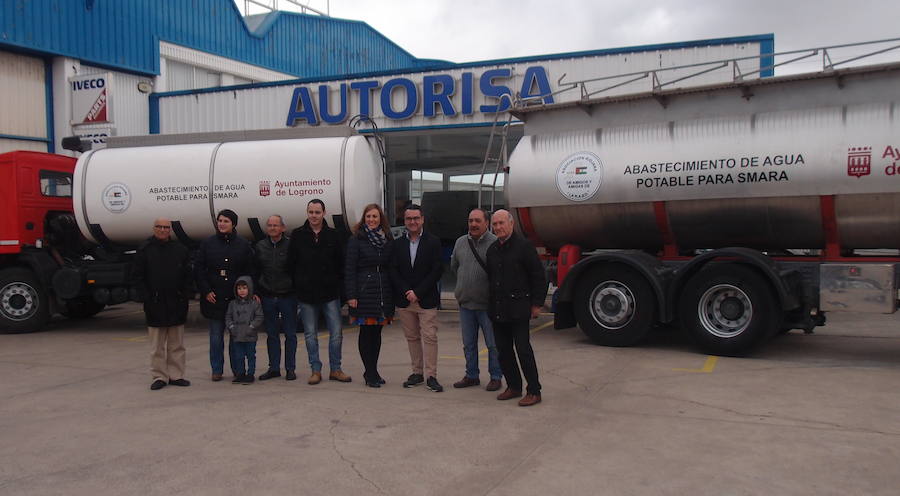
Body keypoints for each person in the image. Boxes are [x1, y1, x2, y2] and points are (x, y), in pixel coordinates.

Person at [485, 209, 548, 407]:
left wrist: (537, 303)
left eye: (501, 223)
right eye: (495, 224)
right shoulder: (492, 250)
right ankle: (513, 386)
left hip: (519, 309)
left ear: (511, 224)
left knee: (523, 350)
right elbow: (491, 279)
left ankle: (534, 391)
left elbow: (539, 276)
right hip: (498, 310)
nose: (498, 227)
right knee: (503, 351)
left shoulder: (524, 247)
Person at [287, 199, 351, 385]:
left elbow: (341, 263)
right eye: (311, 212)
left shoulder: (334, 235)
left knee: (336, 333)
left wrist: (338, 287)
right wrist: (299, 285)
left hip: (330, 293)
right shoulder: (298, 235)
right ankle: (315, 370)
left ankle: (336, 369)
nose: (314, 216)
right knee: (310, 334)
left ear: (324, 213)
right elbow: (291, 264)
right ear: (307, 213)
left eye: (317, 212)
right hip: (306, 295)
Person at [132, 217, 193, 391]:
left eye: (166, 227)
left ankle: (176, 375)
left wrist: (184, 295)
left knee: (177, 345)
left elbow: (188, 275)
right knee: (157, 346)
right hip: (155, 304)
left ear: (170, 230)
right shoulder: (145, 250)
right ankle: (159, 376)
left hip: (176, 303)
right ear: (154, 228)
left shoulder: (180, 250)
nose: (163, 230)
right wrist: (146, 297)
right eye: (159, 227)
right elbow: (137, 276)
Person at [195, 209, 254, 381]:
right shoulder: (208, 244)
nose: (221, 224)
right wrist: (206, 291)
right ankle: (217, 370)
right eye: (220, 220)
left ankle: (237, 369)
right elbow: (199, 269)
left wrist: (245, 294)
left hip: (235, 301)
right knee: (215, 338)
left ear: (233, 224)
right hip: (215, 298)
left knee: (235, 338)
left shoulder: (243, 245)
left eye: (226, 221)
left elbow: (249, 271)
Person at [390, 204, 444, 392]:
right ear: (404, 221)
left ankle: (431, 376)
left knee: (429, 337)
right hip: (405, 301)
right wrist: (407, 291)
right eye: (408, 219)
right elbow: (394, 270)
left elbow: (437, 270)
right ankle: (417, 373)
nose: (412, 222)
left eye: (416, 218)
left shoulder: (434, 242)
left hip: (426, 299)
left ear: (422, 220)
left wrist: (418, 292)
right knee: (412, 338)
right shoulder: (397, 244)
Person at [449, 208, 502, 391]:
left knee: (493, 345)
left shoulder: (495, 243)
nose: (473, 224)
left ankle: (496, 376)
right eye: (471, 220)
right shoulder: (460, 242)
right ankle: (472, 375)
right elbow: (454, 267)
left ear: (486, 223)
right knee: (469, 344)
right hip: (466, 304)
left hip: (488, 306)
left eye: (477, 221)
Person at [344, 203, 394, 388]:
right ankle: (370, 373)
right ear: (363, 219)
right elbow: (349, 269)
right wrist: (351, 295)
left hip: (383, 291)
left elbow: (391, 266)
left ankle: (372, 371)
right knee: (366, 333)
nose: (372, 220)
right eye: (368, 217)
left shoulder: (387, 238)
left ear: (381, 219)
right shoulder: (356, 239)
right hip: (364, 291)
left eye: (375, 216)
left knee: (377, 333)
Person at [255, 215, 299, 382]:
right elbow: (256, 270)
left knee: (290, 334)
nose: (272, 228)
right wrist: (258, 291)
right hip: (268, 296)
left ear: (283, 228)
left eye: (276, 225)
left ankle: (290, 368)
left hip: (288, 296)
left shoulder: (291, 246)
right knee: (271, 335)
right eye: (270, 225)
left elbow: (296, 269)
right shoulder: (260, 246)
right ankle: (273, 368)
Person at [225, 277, 263, 384]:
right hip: (237, 335)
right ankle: (240, 373)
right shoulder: (232, 304)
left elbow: (259, 317)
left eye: (245, 288)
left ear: (249, 289)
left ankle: (250, 374)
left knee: (251, 355)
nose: (242, 291)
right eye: (239, 288)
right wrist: (231, 327)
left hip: (250, 335)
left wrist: (252, 327)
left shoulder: (254, 303)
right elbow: (228, 317)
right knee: (239, 356)